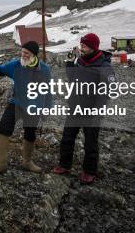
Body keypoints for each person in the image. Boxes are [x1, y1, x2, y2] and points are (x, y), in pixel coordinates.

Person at [0, 41, 52, 177]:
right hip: (16, 102)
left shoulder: (44, 69)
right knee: (3, 128)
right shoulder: (15, 65)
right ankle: (1, 164)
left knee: (30, 133)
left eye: (26, 53)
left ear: (34, 55)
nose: (23, 55)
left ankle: (27, 162)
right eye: (22, 52)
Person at [53, 33, 115, 184]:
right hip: (75, 108)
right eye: (81, 45)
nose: (81, 48)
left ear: (94, 48)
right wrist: (69, 63)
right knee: (67, 138)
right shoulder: (80, 61)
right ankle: (64, 165)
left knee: (90, 143)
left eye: (84, 46)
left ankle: (89, 171)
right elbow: (72, 78)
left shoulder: (104, 66)